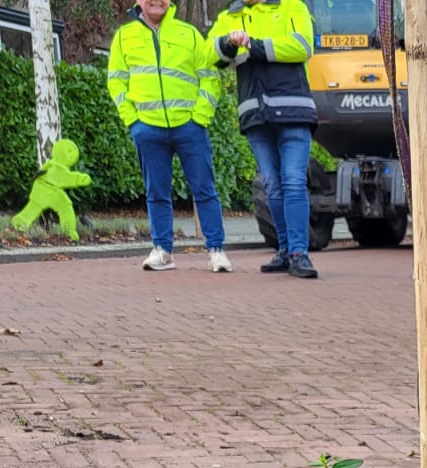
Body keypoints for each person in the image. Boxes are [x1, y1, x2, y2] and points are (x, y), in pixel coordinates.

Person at [108, 0, 232, 273]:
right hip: (147, 128)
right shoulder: (123, 37)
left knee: (205, 190)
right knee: (156, 192)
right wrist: (132, 120)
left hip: (189, 126)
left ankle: (216, 250)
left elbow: (210, 76)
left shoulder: (189, 34)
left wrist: (200, 117)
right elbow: (116, 80)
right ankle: (162, 250)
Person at [210, 0, 319, 279]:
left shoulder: (292, 7)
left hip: (293, 109)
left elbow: (302, 46)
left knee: (293, 180)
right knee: (272, 183)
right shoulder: (228, 17)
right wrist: (229, 43)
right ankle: (285, 250)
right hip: (256, 114)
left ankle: (298, 253)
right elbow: (212, 56)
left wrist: (253, 45)